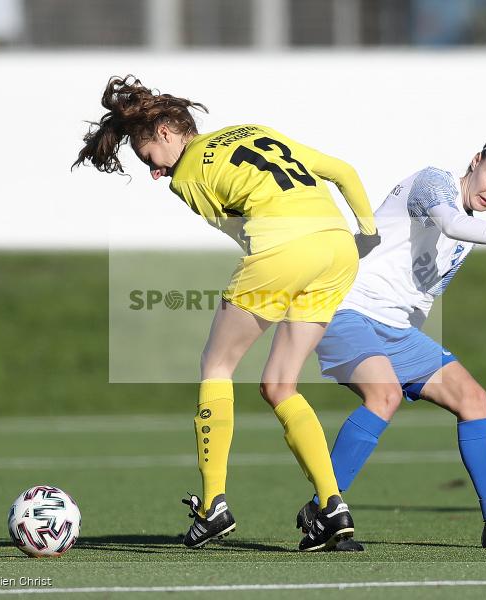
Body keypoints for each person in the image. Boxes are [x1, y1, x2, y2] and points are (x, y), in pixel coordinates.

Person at [73, 75, 380, 551]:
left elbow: (243, 235)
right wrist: (367, 232)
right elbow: (342, 170)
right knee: (280, 384)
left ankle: (213, 504)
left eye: (149, 158)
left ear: (168, 134)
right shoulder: (256, 130)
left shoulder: (188, 176)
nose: (155, 173)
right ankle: (333, 506)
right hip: (340, 249)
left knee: (216, 366)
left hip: (285, 249)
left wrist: (272, 272)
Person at [299, 120, 486, 548]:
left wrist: (409, 351)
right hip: (344, 309)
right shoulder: (433, 182)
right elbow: (452, 224)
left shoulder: (469, 233)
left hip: (396, 331)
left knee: (473, 399)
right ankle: (322, 511)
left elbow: (420, 297)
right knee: (383, 396)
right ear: (476, 162)